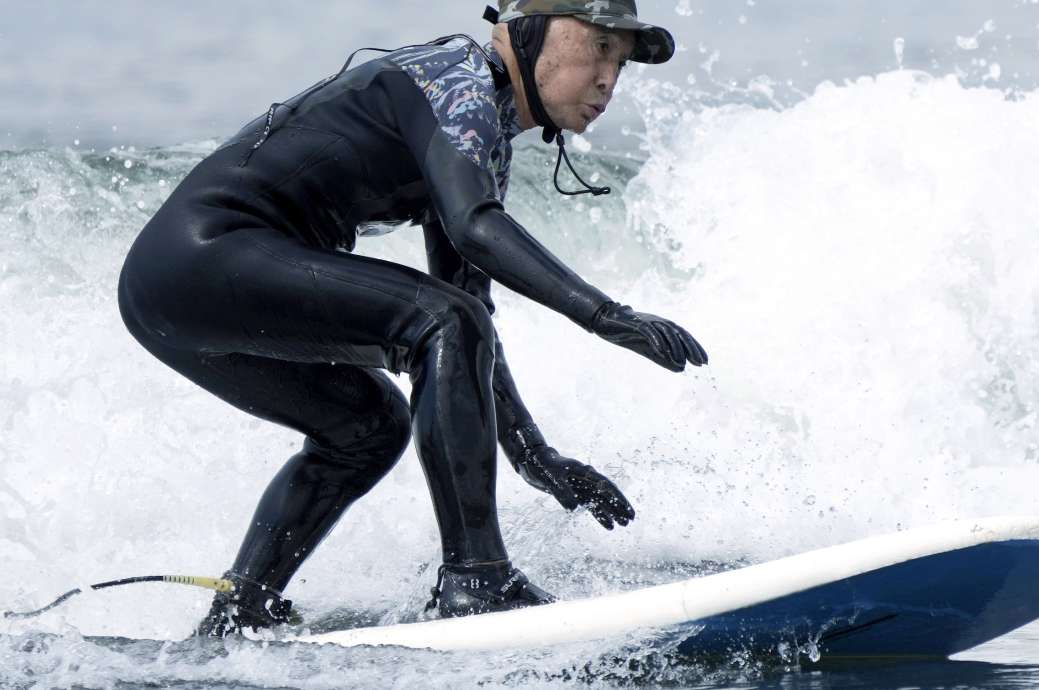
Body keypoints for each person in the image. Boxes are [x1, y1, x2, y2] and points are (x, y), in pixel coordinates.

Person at [116, 0, 707, 638]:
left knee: (367, 428)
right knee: (441, 321)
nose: (608, 81)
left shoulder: (478, 128)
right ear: (527, 32)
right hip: (203, 254)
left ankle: (240, 616)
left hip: (167, 291)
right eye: (598, 48)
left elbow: (468, 315)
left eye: (620, 64)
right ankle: (477, 578)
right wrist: (606, 316)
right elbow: (475, 234)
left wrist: (536, 455)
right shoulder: (456, 83)